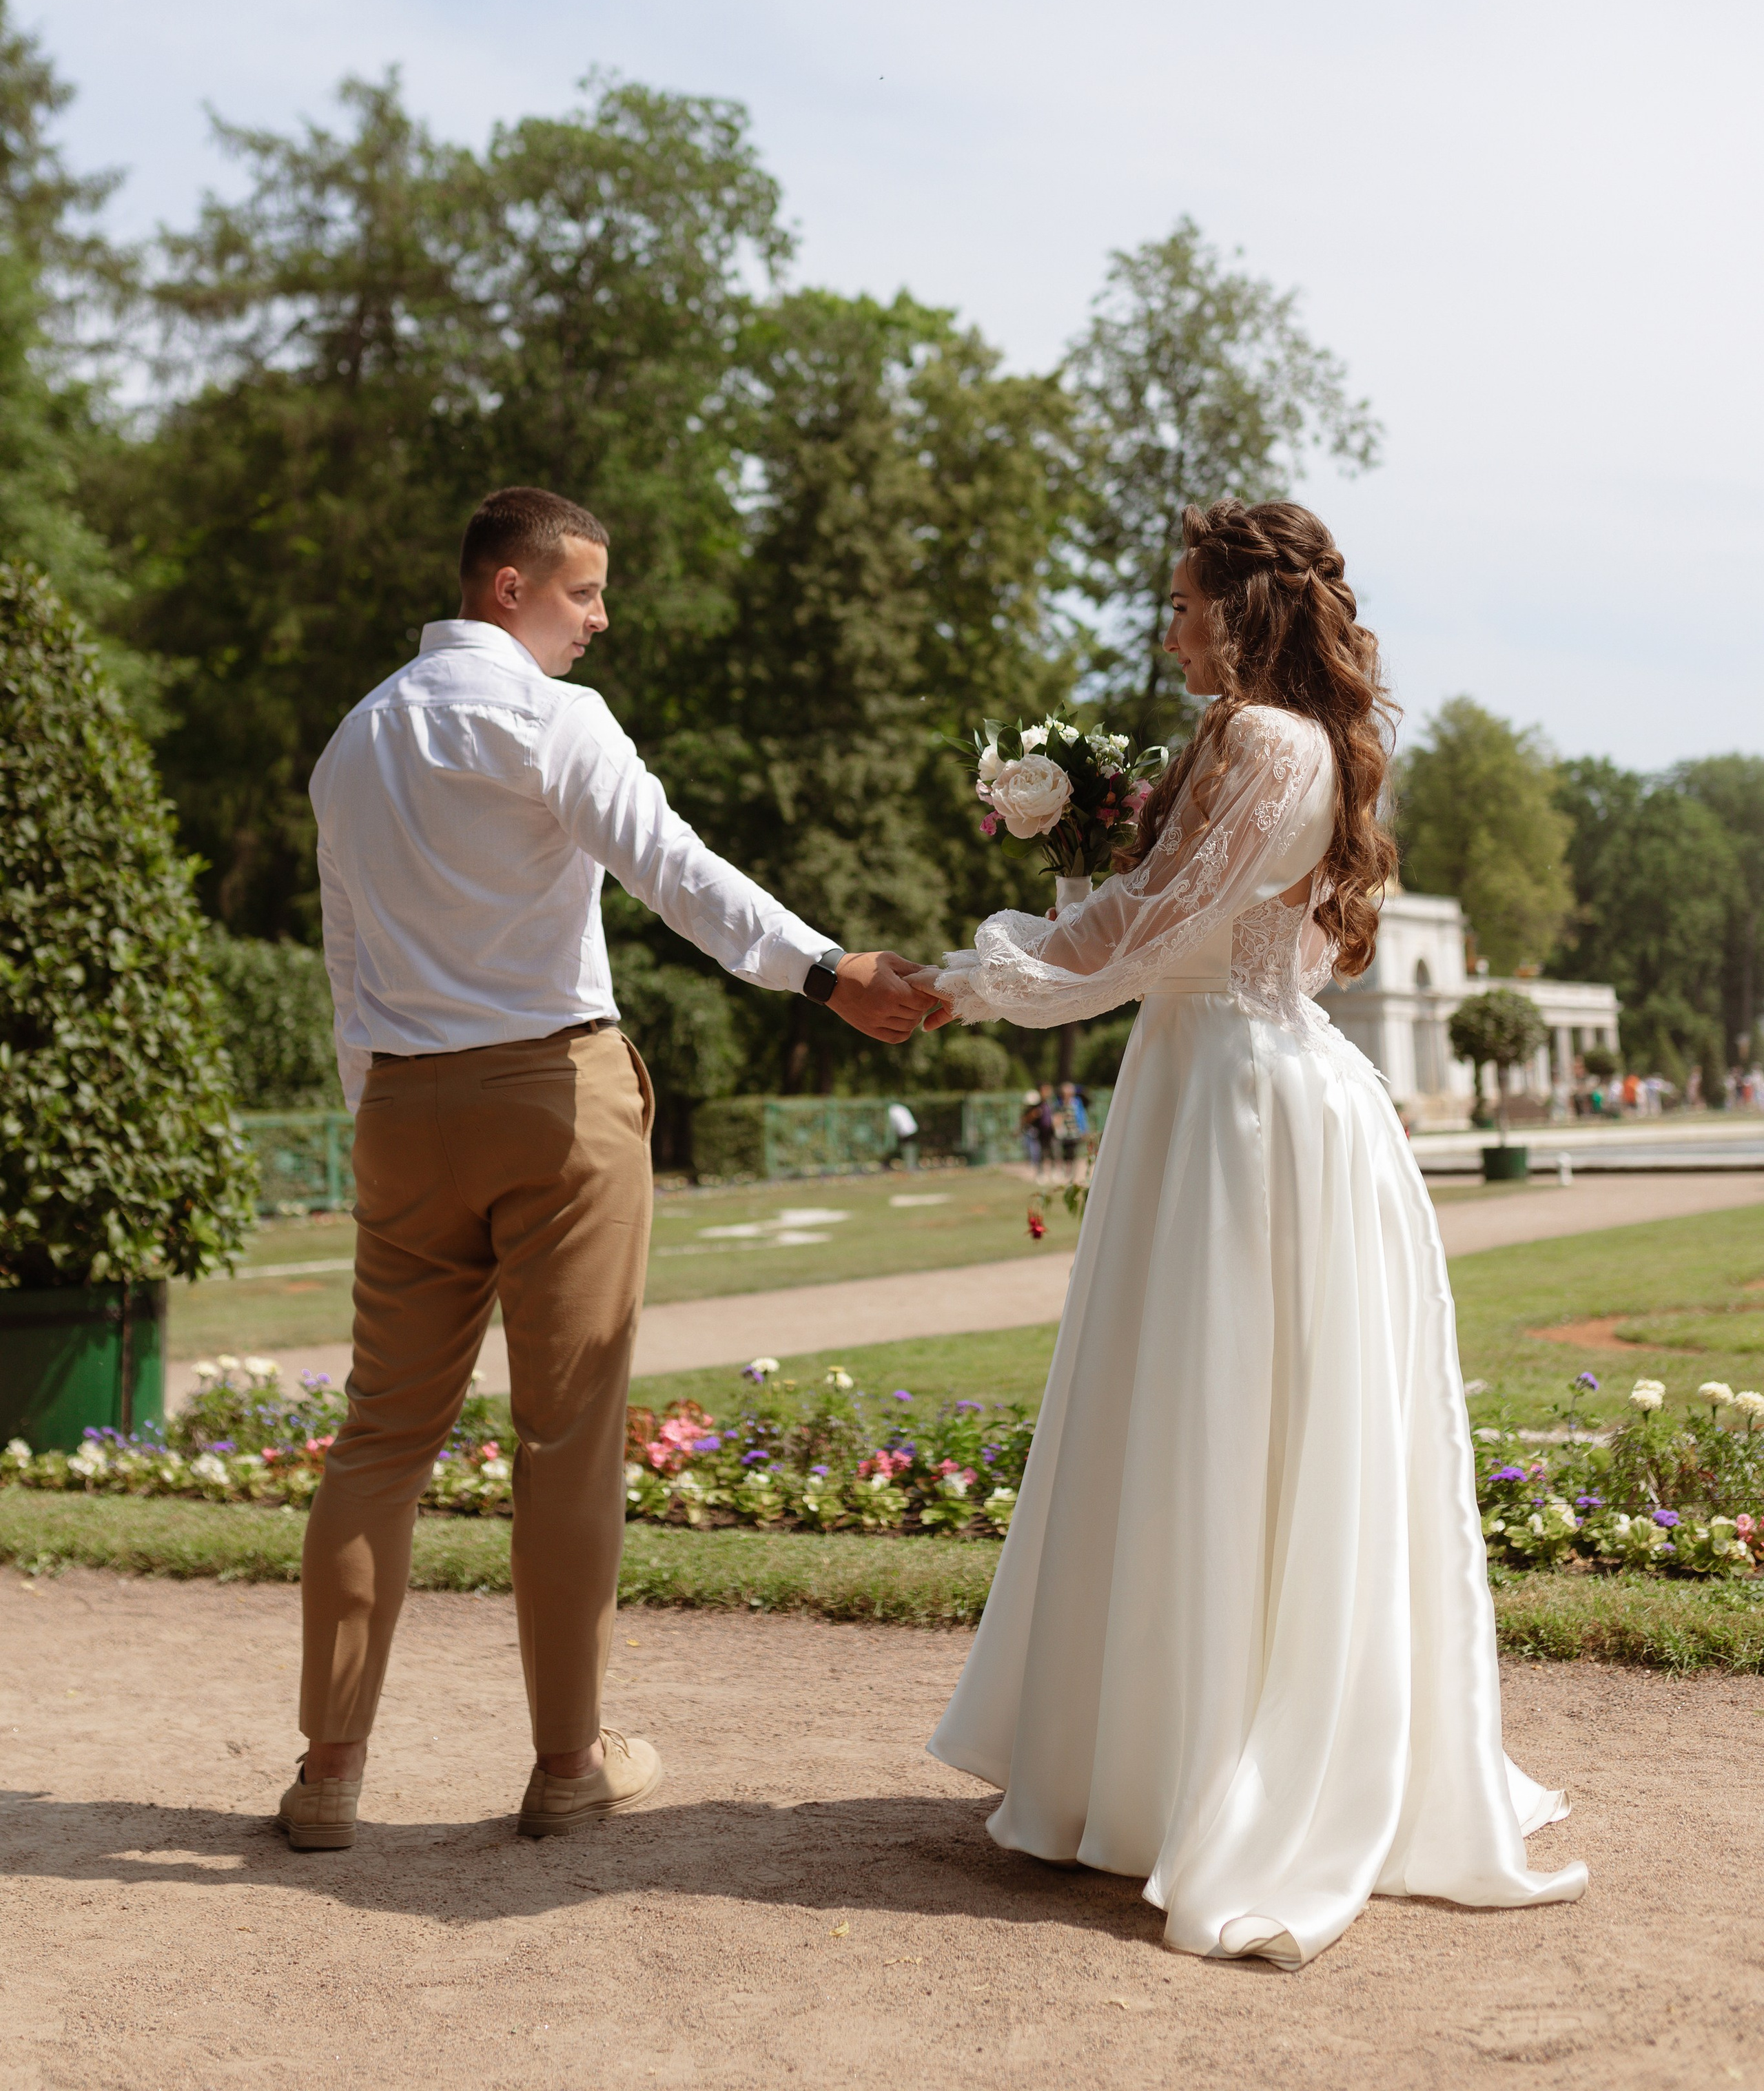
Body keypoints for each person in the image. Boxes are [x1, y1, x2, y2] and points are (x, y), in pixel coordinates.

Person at [911, 497, 1586, 1968]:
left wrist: (971, 980)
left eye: (1182, 604)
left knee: (1220, 1419)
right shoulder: (1253, 738)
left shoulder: (1272, 744)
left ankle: (1211, 1776)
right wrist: (1033, 932)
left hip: (1244, 1108)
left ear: (1240, 609)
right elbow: (1153, 914)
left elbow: (1150, 928)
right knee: (1177, 1415)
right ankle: (1152, 1766)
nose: (1167, 631)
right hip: (1203, 1083)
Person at [283, 486, 934, 1853]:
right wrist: (825, 971)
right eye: (582, 592)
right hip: (551, 1099)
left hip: (401, 1105)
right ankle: (567, 1763)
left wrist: (375, 1113)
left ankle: (328, 1776)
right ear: (509, 586)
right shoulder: (550, 718)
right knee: (567, 1435)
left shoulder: (353, 740)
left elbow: (345, 957)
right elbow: (673, 871)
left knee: (379, 1440)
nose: (598, 619)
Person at [885, 1098, 919, 1171]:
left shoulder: (892, 1110)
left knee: (908, 1146)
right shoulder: (901, 1107)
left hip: (905, 1130)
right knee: (910, 1145)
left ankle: (910, 1165)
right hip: (912, 1128)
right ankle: (910, 1164)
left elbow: (893, 1124)